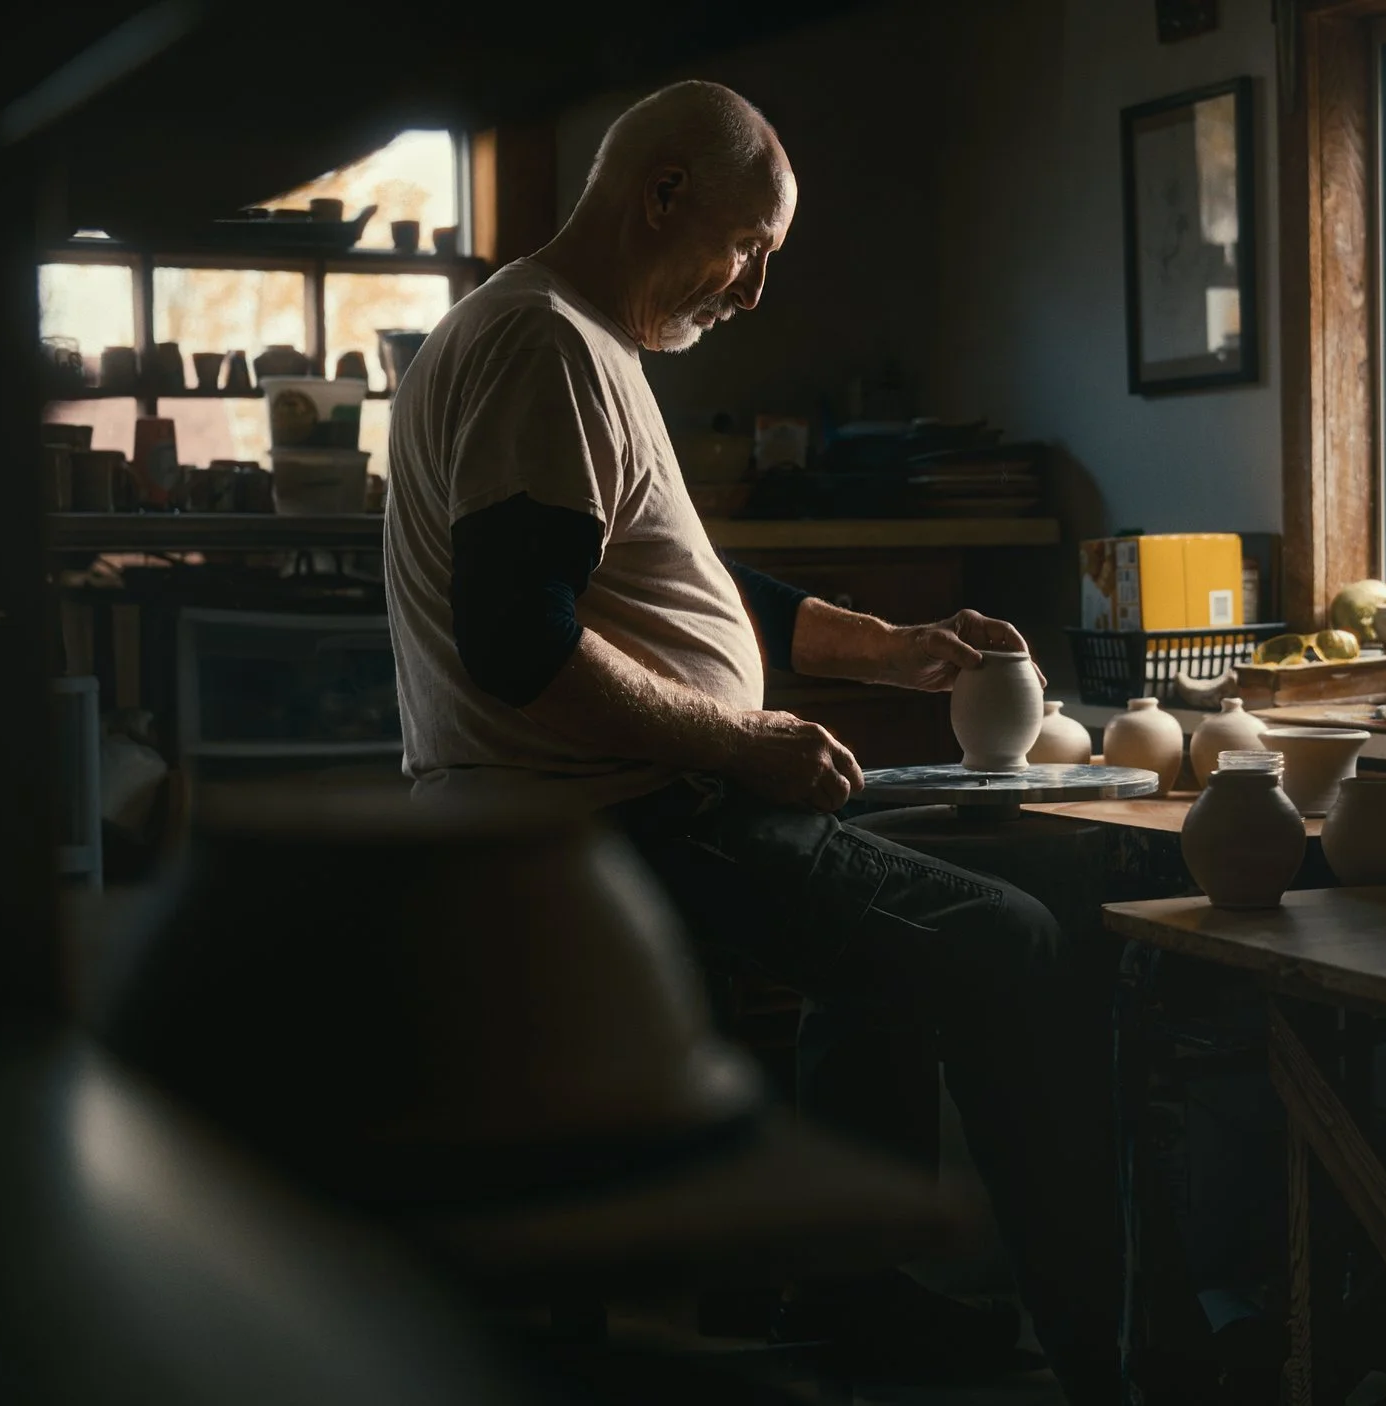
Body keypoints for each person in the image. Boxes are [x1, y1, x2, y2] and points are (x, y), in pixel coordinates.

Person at [381, 81, 1122, 1402]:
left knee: (908, 933)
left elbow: (691, 596)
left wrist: (890, 646)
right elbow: (520, 640)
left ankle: (858, 1306)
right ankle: (1114, 1362)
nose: (755, 290)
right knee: (1007, 941)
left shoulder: (575, 339)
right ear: (663, 194)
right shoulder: (545, 344)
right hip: (600, 827)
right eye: (751, 248)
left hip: (635, 804)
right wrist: (740, 742)